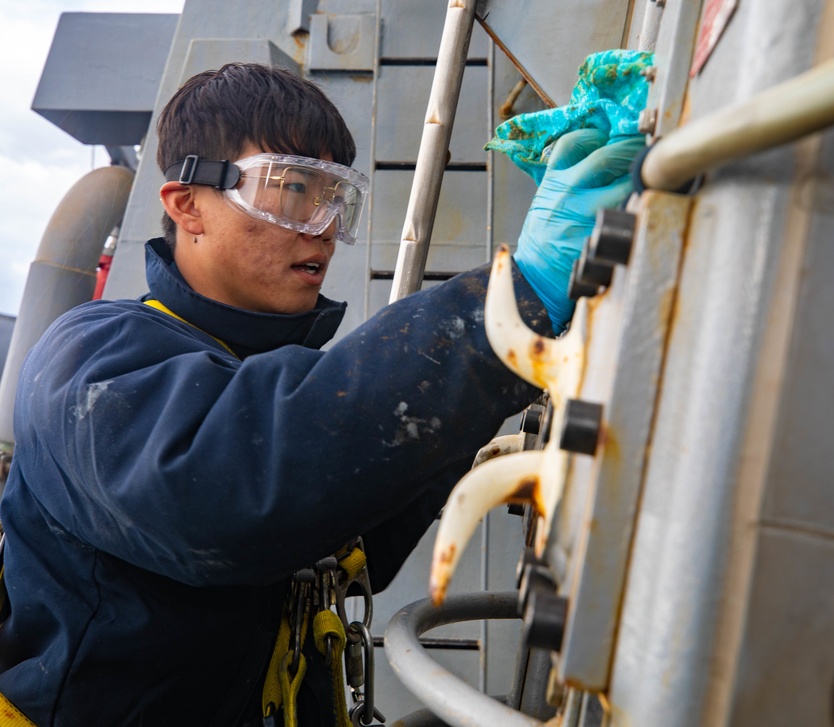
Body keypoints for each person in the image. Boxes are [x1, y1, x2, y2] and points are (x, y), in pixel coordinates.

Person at [0, 63, 642, 726]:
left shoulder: (259, 373)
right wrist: (513, 299)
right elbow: (234, 492)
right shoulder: (90, 358)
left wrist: (525, 338)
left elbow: (355, 536)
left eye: (338, 197)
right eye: (293, 189)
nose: (324, 226)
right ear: (187, 203)